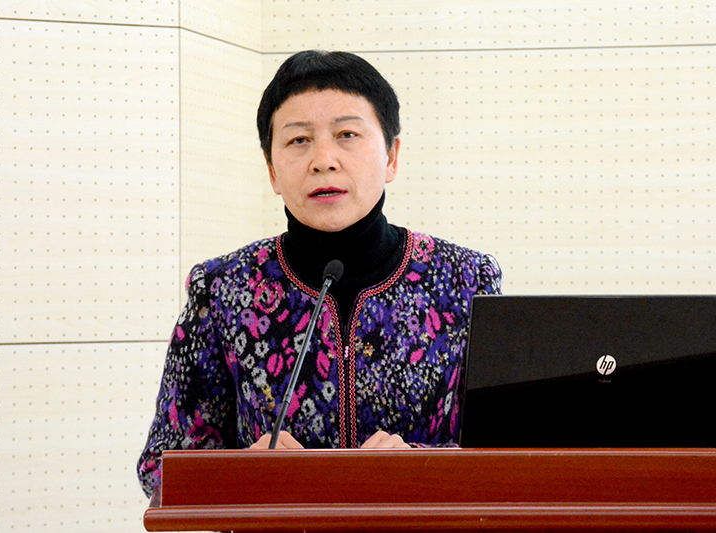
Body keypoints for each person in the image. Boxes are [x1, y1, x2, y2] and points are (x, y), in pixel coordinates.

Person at [137, 50, 502, 497]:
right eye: (298, 140)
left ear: (391, 156)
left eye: (347, 134)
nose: (323, 159)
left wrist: (419, 463)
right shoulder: (222, 289)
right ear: (272, 170)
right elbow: (162, 470)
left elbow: (507, 456)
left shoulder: (466, 279)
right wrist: (240, 472)